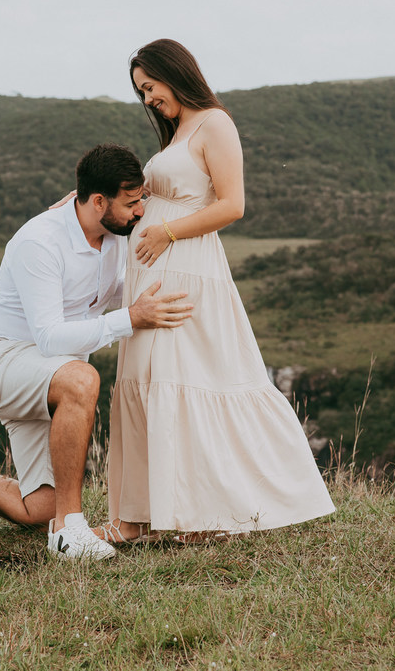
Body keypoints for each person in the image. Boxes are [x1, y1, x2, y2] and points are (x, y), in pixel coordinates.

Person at [0, 143, 193, 560]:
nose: (140, 211)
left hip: (43, 374)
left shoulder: (114, 237)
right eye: (131, 203)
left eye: (140, 200)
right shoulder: (39, 241)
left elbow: (134, 289)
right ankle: (69, 531)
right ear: (97, 201)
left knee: (36, 508)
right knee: (81, 378)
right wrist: (131, 318)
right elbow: (51, 338)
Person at [101, 39, 335, 544]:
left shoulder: (214, 123)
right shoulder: (177, 133)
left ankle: (205, 516)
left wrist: (166, 233)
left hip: (186, 269)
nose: (147, 100)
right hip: (154, 273)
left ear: (174, 73)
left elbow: (233, 205)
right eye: (140, 92)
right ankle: (139, 516)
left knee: (188, 381)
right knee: (146, 383)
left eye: (150, 87)